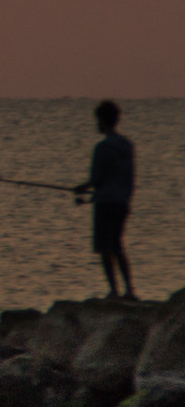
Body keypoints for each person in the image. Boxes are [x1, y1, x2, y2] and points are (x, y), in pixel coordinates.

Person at [72, 100, 137, 300]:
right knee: (117, 245)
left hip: (106, 203)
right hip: (122, 201)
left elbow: (96, 180)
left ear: (101, 121)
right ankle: (130, 290)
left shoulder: (102, 147)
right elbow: (126, 177)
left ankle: (114, 291)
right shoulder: (127, 146)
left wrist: (81, 189)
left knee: (105, 248)